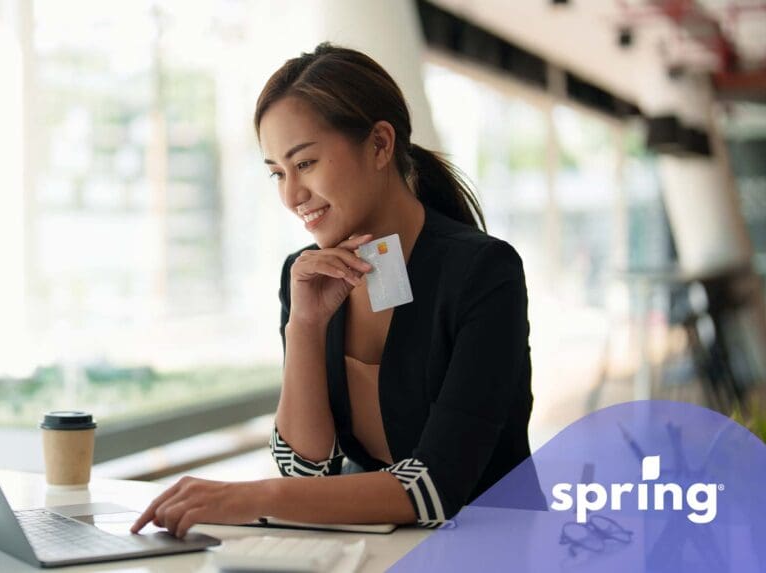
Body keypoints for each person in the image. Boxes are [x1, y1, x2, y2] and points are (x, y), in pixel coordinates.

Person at [131, 42, 538, 538]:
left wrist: (245, 497)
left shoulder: (483, 272)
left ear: (380, 145)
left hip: (493, 550)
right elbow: (304, 470)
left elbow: (437, 487)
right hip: (370, 550)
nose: (290, 195)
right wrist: (305, 324)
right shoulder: (305, 274)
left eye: (305, 164)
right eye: (277, 173)